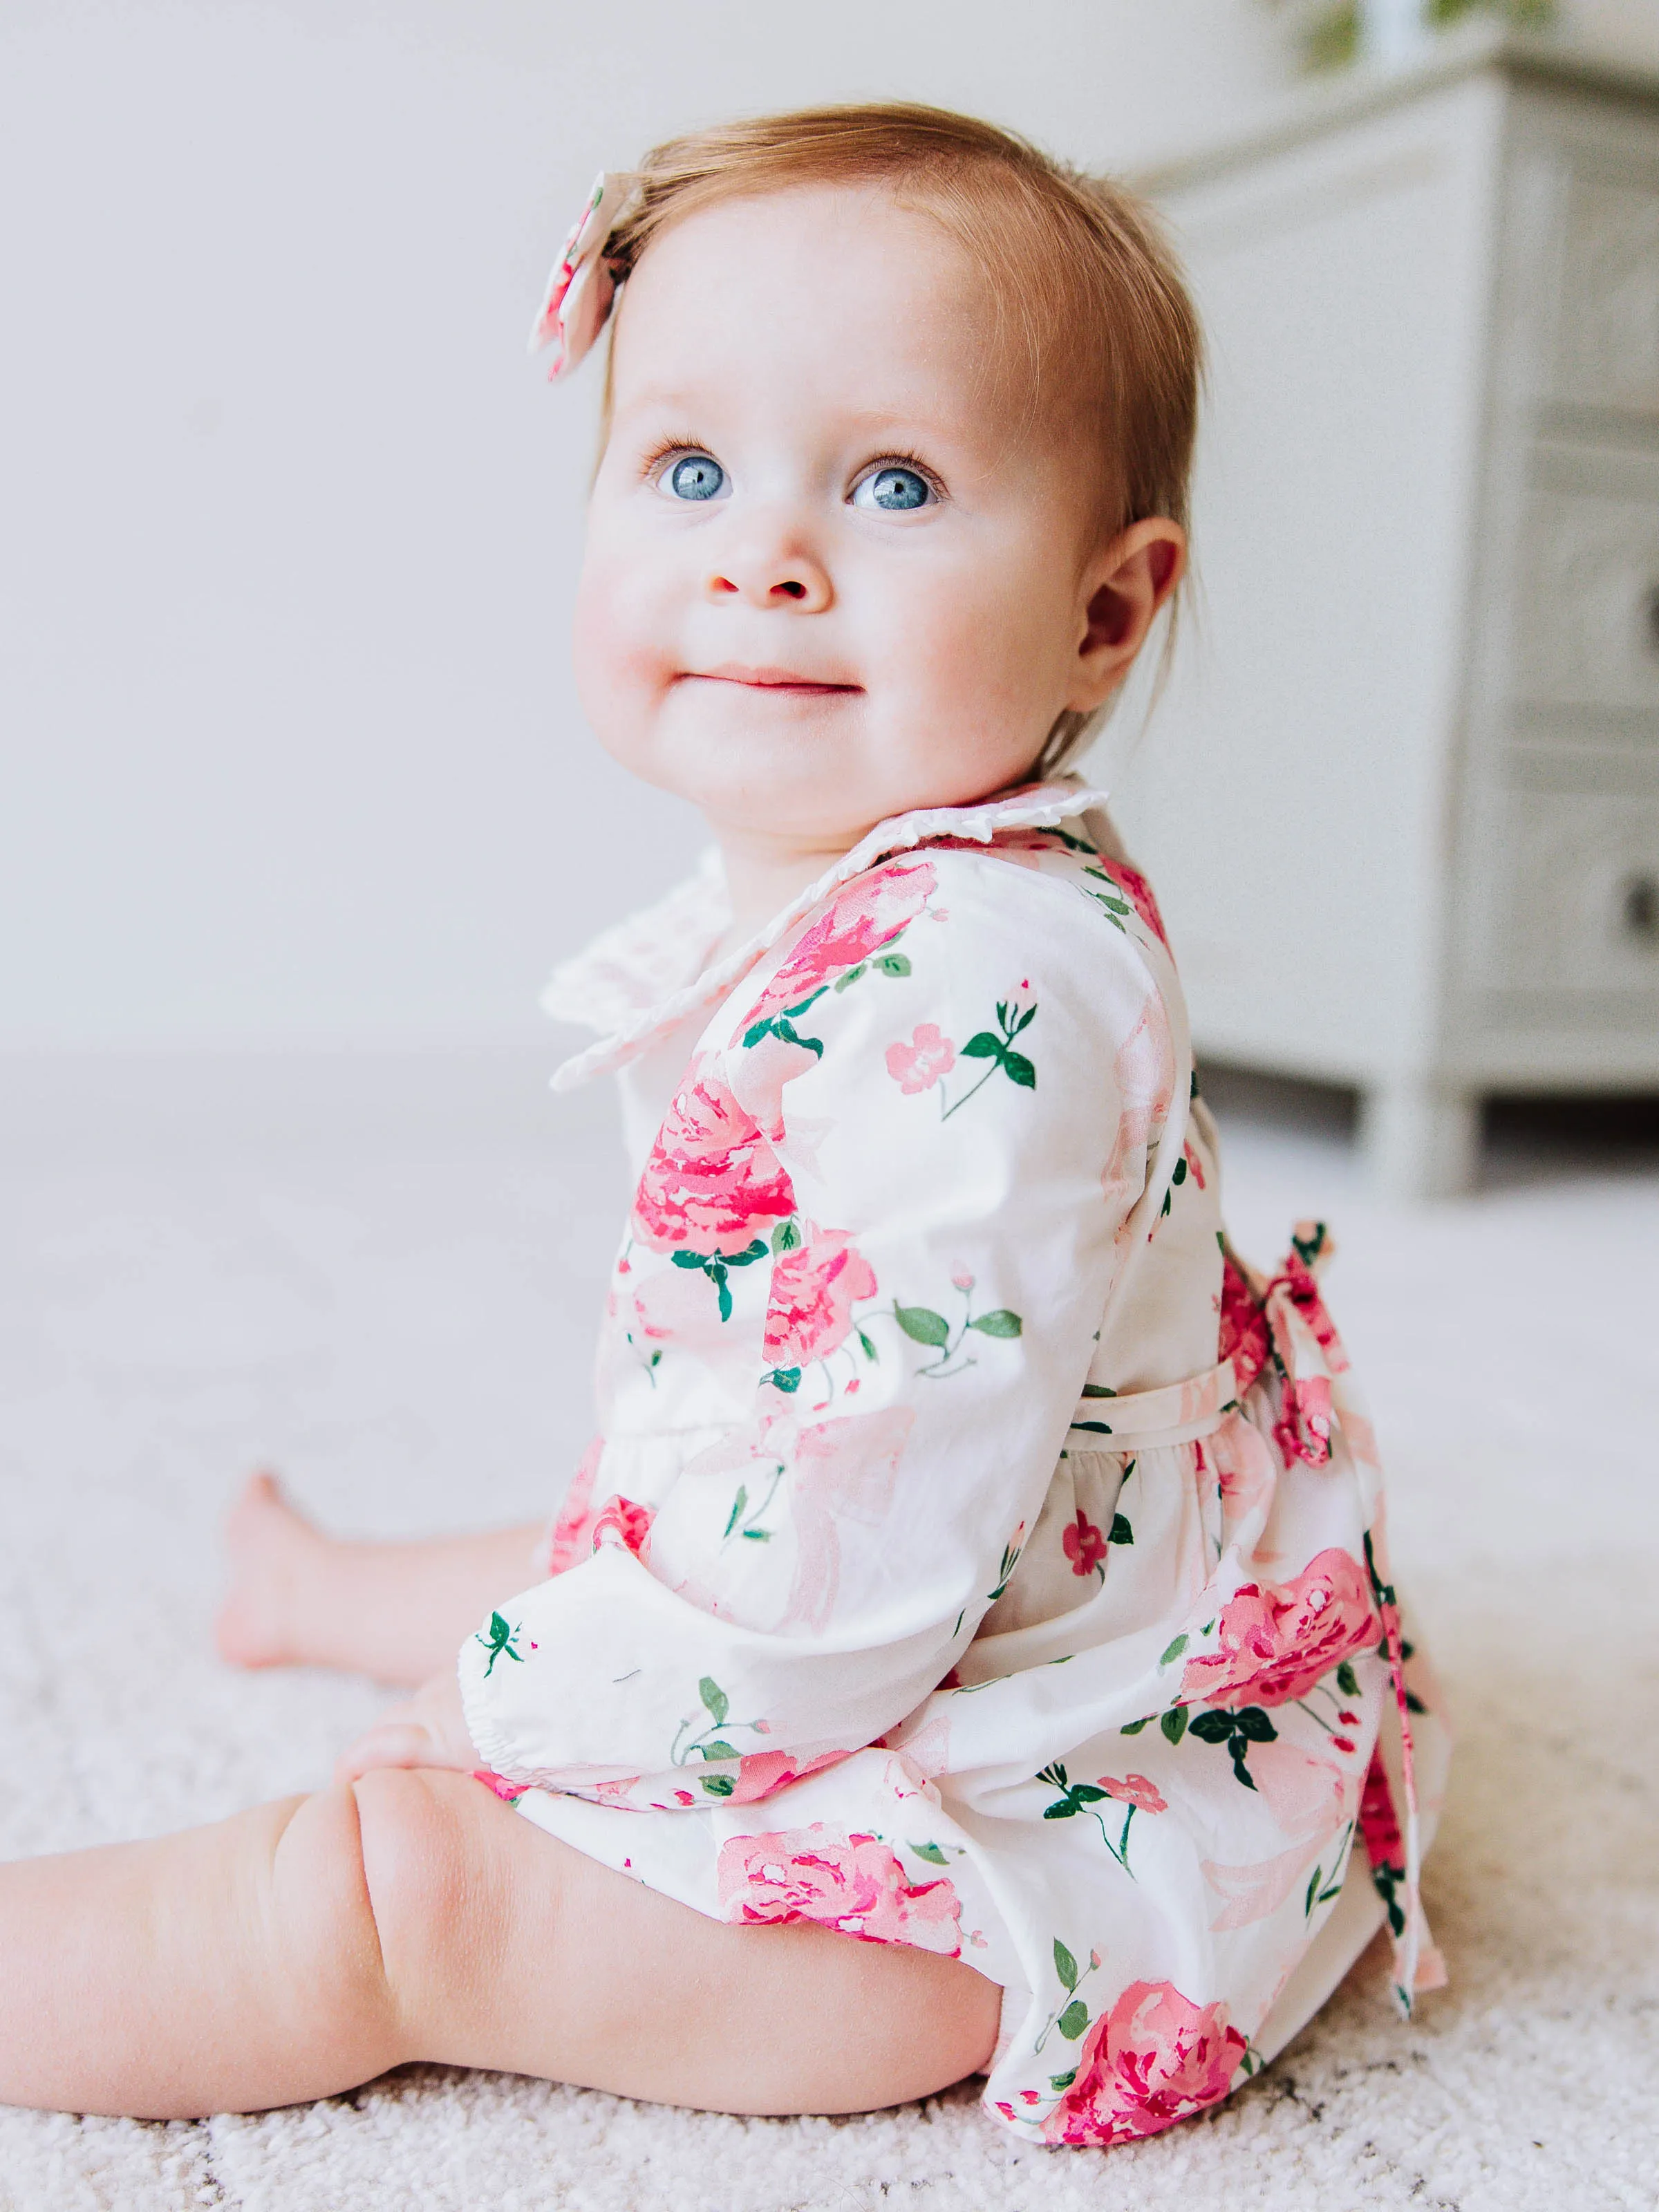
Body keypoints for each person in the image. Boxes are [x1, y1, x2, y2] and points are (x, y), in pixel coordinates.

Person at [1, 102, 1449, 2148]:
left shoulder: (984, 996)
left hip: (1033, 1819)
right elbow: (794, 1469)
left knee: (391, 1887)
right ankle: (320, 1590)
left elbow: (831, 1608)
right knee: (629, 1519)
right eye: (688, 466)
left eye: (897, 481)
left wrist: (491, 1724)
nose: (764, 550)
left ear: (1105, 614)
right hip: (951, 1564)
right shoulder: (867, 895)